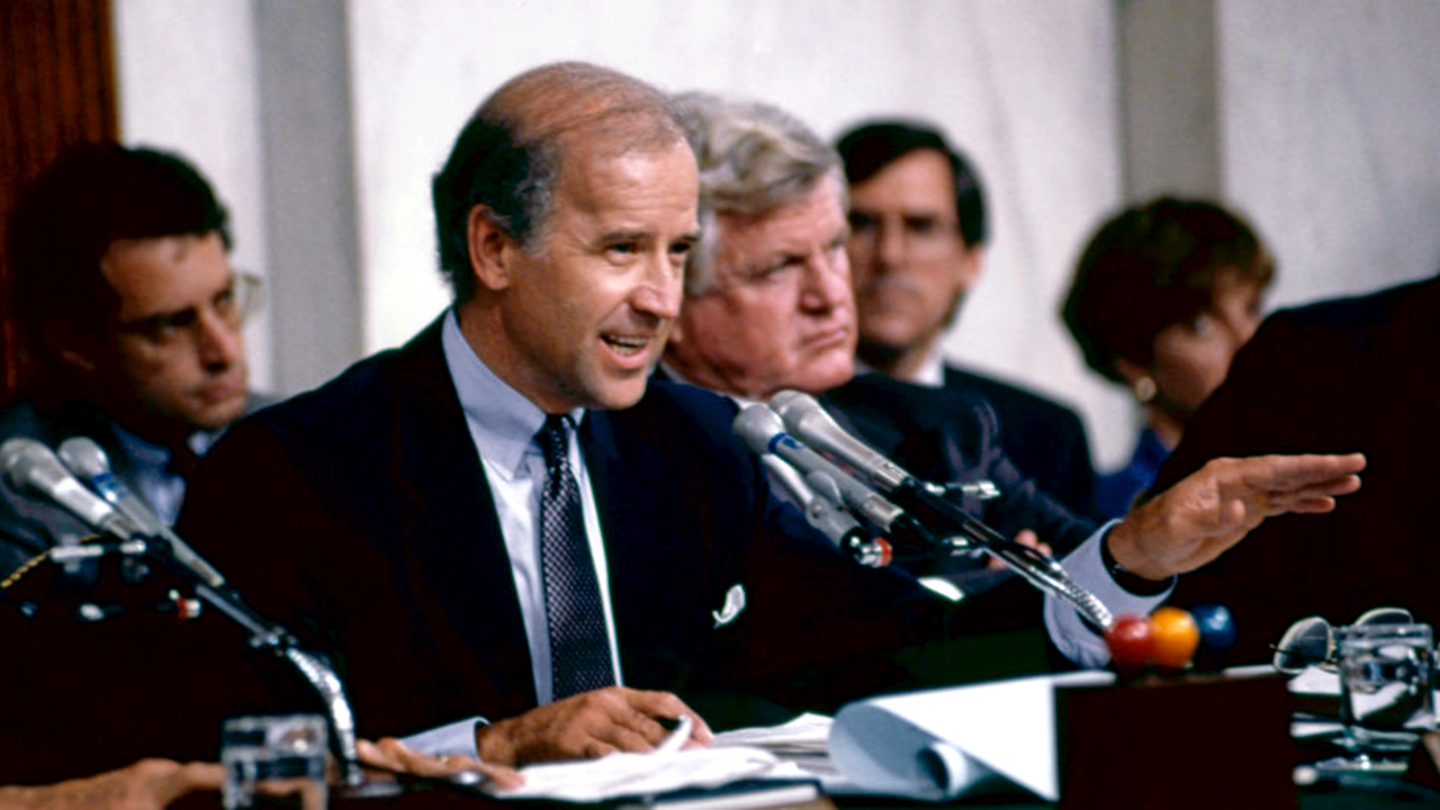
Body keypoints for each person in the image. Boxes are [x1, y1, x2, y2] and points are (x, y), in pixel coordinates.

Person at [177, 61, 1364, 768]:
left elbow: (889, 649)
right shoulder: (298, 468)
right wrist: (487, 748)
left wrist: (1132, 557)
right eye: (622, 250)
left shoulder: (689, 444)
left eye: (682, 252)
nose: (661, 296)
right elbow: (225, 755)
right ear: (493, 245)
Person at [0, 143, 268, 577]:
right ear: (74, 343)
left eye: (224, 301)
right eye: (171, 325)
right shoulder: (21, 502)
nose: (224, 352)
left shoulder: (296, 437)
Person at [1147, 273, 1440, 663]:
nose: (1239, 335)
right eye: (1200, 325)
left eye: (1251, 308)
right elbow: (1185, 606)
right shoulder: (1309, 355)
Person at [835, 121, 1097, 517]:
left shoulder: (1046, 436)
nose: (889, 255)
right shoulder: (769, 415)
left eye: (921, 227)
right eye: (862, 224)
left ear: (971, 261)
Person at [1061, 197, 1274, 518]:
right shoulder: (1112, 514)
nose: (1248, 339)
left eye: (1251, 308)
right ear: (1135, 365)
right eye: (1200, 325)